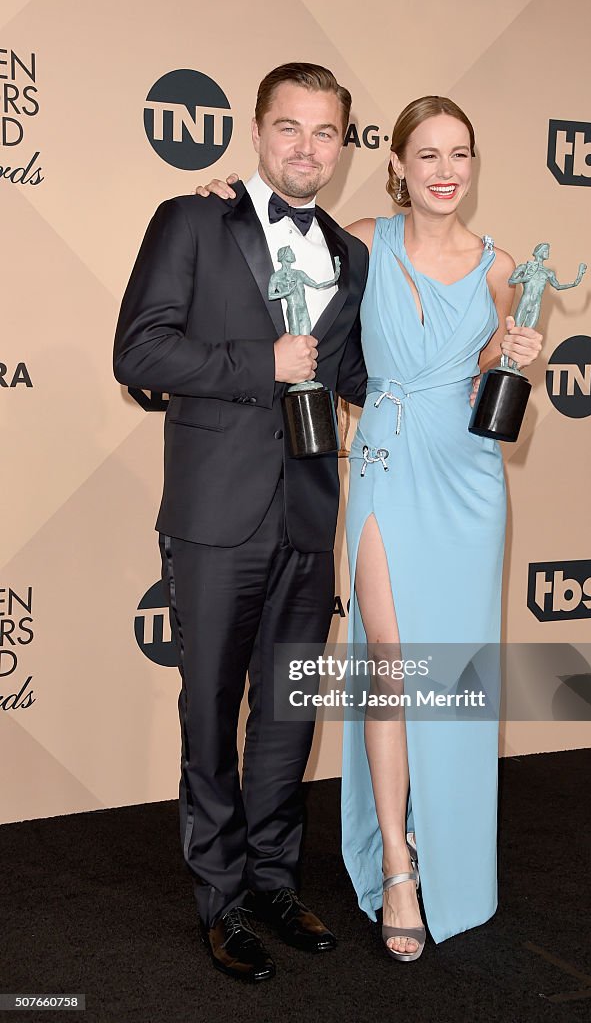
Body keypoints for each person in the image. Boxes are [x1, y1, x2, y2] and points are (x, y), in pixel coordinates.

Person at [198, 97, 543, 961]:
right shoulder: (361, 240)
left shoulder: (502, 264)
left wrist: (518, 361)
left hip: (467, 482)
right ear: (397, 165)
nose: (443, 170)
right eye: (425, 153)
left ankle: (448, 851)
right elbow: (281, 260)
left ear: (472, 164)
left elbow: (497, 392)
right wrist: (222, 203)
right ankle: (395, 861)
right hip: (386, 462)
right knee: (390, 666)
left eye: (459, 153)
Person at [113, 63, 369, 983]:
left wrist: (481, 354)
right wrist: (257, 358)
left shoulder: (353, 255)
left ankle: (271, 882)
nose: (307, 148)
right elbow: (138, 348)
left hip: (308, 519)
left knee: (288, 721)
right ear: (259, 132)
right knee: (212, 716)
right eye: (290, 128)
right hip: (216, 518)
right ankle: (220, 902)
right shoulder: (192, 219)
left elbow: (357, 382)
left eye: (326, 133)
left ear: (345, 146)